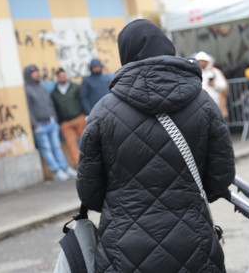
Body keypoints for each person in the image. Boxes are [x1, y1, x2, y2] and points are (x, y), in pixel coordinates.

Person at [77, 19, 235, 273]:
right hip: (194, 243)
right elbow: (221, 176)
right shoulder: (203, 104)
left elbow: (89, 191)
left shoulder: (103, 112)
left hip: (123, 249)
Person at [24, 65, 77, 180]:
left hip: (51, 123)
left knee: (57, 147)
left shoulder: (42, 87)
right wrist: (34, 125)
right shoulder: (27, 90)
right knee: (46, 149)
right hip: (39, 125)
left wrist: (54, 120)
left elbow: (50, 104)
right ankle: (56, 171)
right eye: (34, 72)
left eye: (37, 71)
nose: (37, 74)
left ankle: (65, 168)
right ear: (29, 75)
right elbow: (28, 109)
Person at [51, 68, 86, 166]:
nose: (63, 78)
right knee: (71, 145)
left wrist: (85, 114)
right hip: (65, 123)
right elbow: (54, 108)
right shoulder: (54, 93)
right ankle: (79, 165)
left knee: (86, 140)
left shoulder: (75, 87)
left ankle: (91, 161)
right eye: (61, 76)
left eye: (64, 76)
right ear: (57, 78)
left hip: (79, 118)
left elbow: (82, 100)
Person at [195, 51, 229, 119]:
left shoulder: (215, 72)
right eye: (199, 61)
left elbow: (224, 86)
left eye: (203, 61)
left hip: (216, 104)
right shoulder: (196, 73)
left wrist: (214, 84)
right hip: (202, 106)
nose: (201, 63)